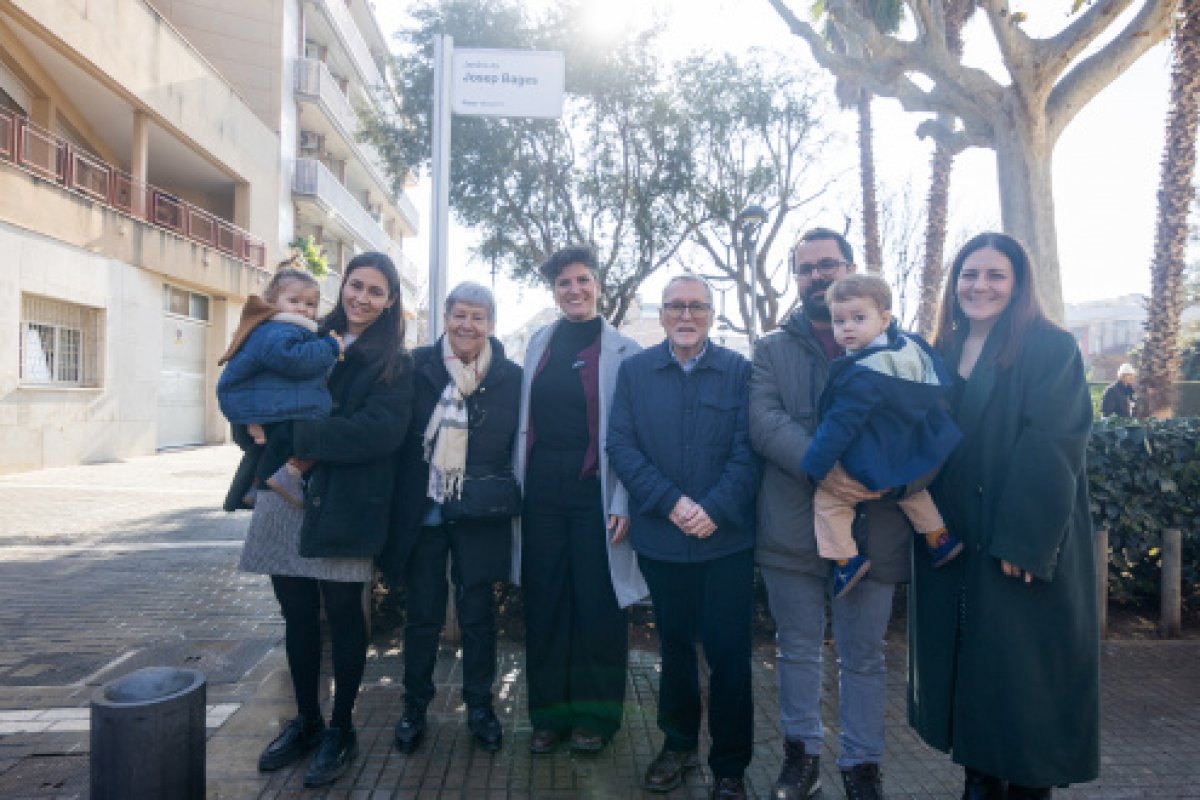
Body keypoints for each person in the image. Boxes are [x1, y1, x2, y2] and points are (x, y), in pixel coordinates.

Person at [908, 232, 1100, 799]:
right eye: (970, 274)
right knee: (972, 670)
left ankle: (1022, 786)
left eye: (995, 275)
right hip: (955, 539)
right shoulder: (939, 351)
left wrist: (1024, 541)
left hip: (1019, 543)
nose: (980, 286)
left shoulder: (1049, 347)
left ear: (1017, 284)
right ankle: (979, 780)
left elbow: (1055, 443)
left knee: (1023, 683)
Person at [750, 227, 922, 800]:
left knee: (864, 658)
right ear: (795, 278)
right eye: (806, 268)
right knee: (795, 650)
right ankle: (802, 757)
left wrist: (889, 477)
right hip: (793, 528)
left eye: (828, 264)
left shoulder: (904, 351)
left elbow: (931, 423)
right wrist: (826, 469)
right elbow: (764, 420)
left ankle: (862, 766)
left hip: (876, 529)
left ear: (849, 267)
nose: (817, 275)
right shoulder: (772, 349)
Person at [239, 252, 413, 789]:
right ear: (344, 287)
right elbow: (254, 394)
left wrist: (300, 436)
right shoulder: (304, 334)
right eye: (356, 286)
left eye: (375, 291)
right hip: (282, 495)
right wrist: (250, 427)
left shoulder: (394, 362)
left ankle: (342, 727)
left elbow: (380, 434)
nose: (362, 298)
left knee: (343, 616)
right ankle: (307, 720)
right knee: (295, 614)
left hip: (346, 502)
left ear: (390, 302)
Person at [607, 275, 759, 800]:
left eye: (697, 306)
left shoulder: (740, 372)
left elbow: (750, 448)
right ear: (664, 313)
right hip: (663, 540)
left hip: (726, 543)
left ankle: (731, 765)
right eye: (676, 306)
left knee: (729, 654)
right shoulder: (635, 372)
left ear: (712, 314)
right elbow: (622, 447)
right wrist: (672, 503)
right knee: (673, 650)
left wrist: (714, 508)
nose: (686, 315)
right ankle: (677, 744)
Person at [514, 245, 648, 755]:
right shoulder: (536, 345)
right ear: (554, 291)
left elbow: (632, 436)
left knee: (598, 605)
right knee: (545, 601)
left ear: (598, 285)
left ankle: (596, 718)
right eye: (564, 283)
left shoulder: (626, 353)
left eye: (582, 280)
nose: (574, 290)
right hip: (542, 493)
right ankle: (548, 717)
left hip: (598, 494)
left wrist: (625, 500)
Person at [381, 282, 521, 754]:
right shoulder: (414, 366)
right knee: (421, 616)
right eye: (460, 314)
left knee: (479, 618)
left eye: (478, 316)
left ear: (492, 324)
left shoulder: (510, 376)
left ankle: (480, 707)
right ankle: (414, 706)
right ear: (445, 317)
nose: (468, 325)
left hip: (481, 512)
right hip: (423, 513)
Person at [801, 274, 963, 599]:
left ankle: (846, 559)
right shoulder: (911, 348)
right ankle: (939, 537)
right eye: (839, 320)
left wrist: (815, 465)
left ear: (884, 318)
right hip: (907, 448)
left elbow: (840, 424)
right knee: (913, 492)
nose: (847, 327)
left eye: (858, 318)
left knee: (829, 502)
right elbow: (940, 384)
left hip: (869, 455)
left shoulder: (863, 374)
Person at [217, 267, 343, 511]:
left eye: (310, 303)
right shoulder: (277, 329)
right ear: (273, 302)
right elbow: (293, 360)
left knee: (274, 448)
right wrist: (329, 347)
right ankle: (278, 481)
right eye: (293, 300)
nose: (303, 308)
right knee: (308, 437)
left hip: (268, 403)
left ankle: (255, 486)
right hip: (267, 406)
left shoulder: (286, 328)